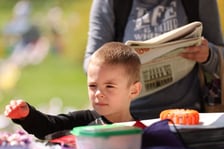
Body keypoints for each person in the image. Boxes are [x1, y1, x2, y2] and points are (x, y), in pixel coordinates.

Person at [83, 0, 224, 119]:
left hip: (186, 115)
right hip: (126, 117)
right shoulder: (110, 3)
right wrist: (119, 62)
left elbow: (220, 53)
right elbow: (90, 62)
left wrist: (208, 54)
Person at [4, 42, 142, 139]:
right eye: (93, 86)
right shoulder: (83, 121)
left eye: (110, 86)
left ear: (134, 90)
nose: (98, 93)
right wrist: (27, 115)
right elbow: (49, 127)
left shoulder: (144, 130)